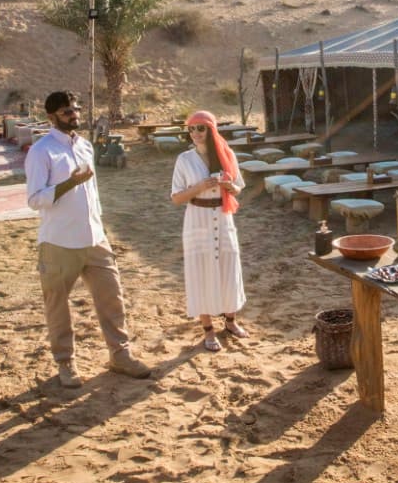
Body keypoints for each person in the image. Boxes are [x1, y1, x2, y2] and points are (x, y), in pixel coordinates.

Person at [25, 90, 153, 387]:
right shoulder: (41, 151)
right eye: (67, 111)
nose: (74, 115)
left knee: (112, 298)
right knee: (58, 304)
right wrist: (69, 182)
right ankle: (65, 363)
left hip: (95, 238)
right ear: (51, 116)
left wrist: (100, 226)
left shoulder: (84, 146)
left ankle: (120, 355)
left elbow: (91, 194)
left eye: (76, 109)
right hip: (59, 241)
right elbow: (34, 199)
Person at [169, 111, 247, 351]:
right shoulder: (184, 160)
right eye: (191, 129)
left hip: (223, 217)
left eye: (200, 128)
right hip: (197, 219)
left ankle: (230, 321)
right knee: (200, 270)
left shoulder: (227, 155)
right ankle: (208, 329)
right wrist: (199, 187)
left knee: (228, 267)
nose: (195, 133)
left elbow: (238, 188)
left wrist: (228, 186)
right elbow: (176, 198)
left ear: (211, 130)